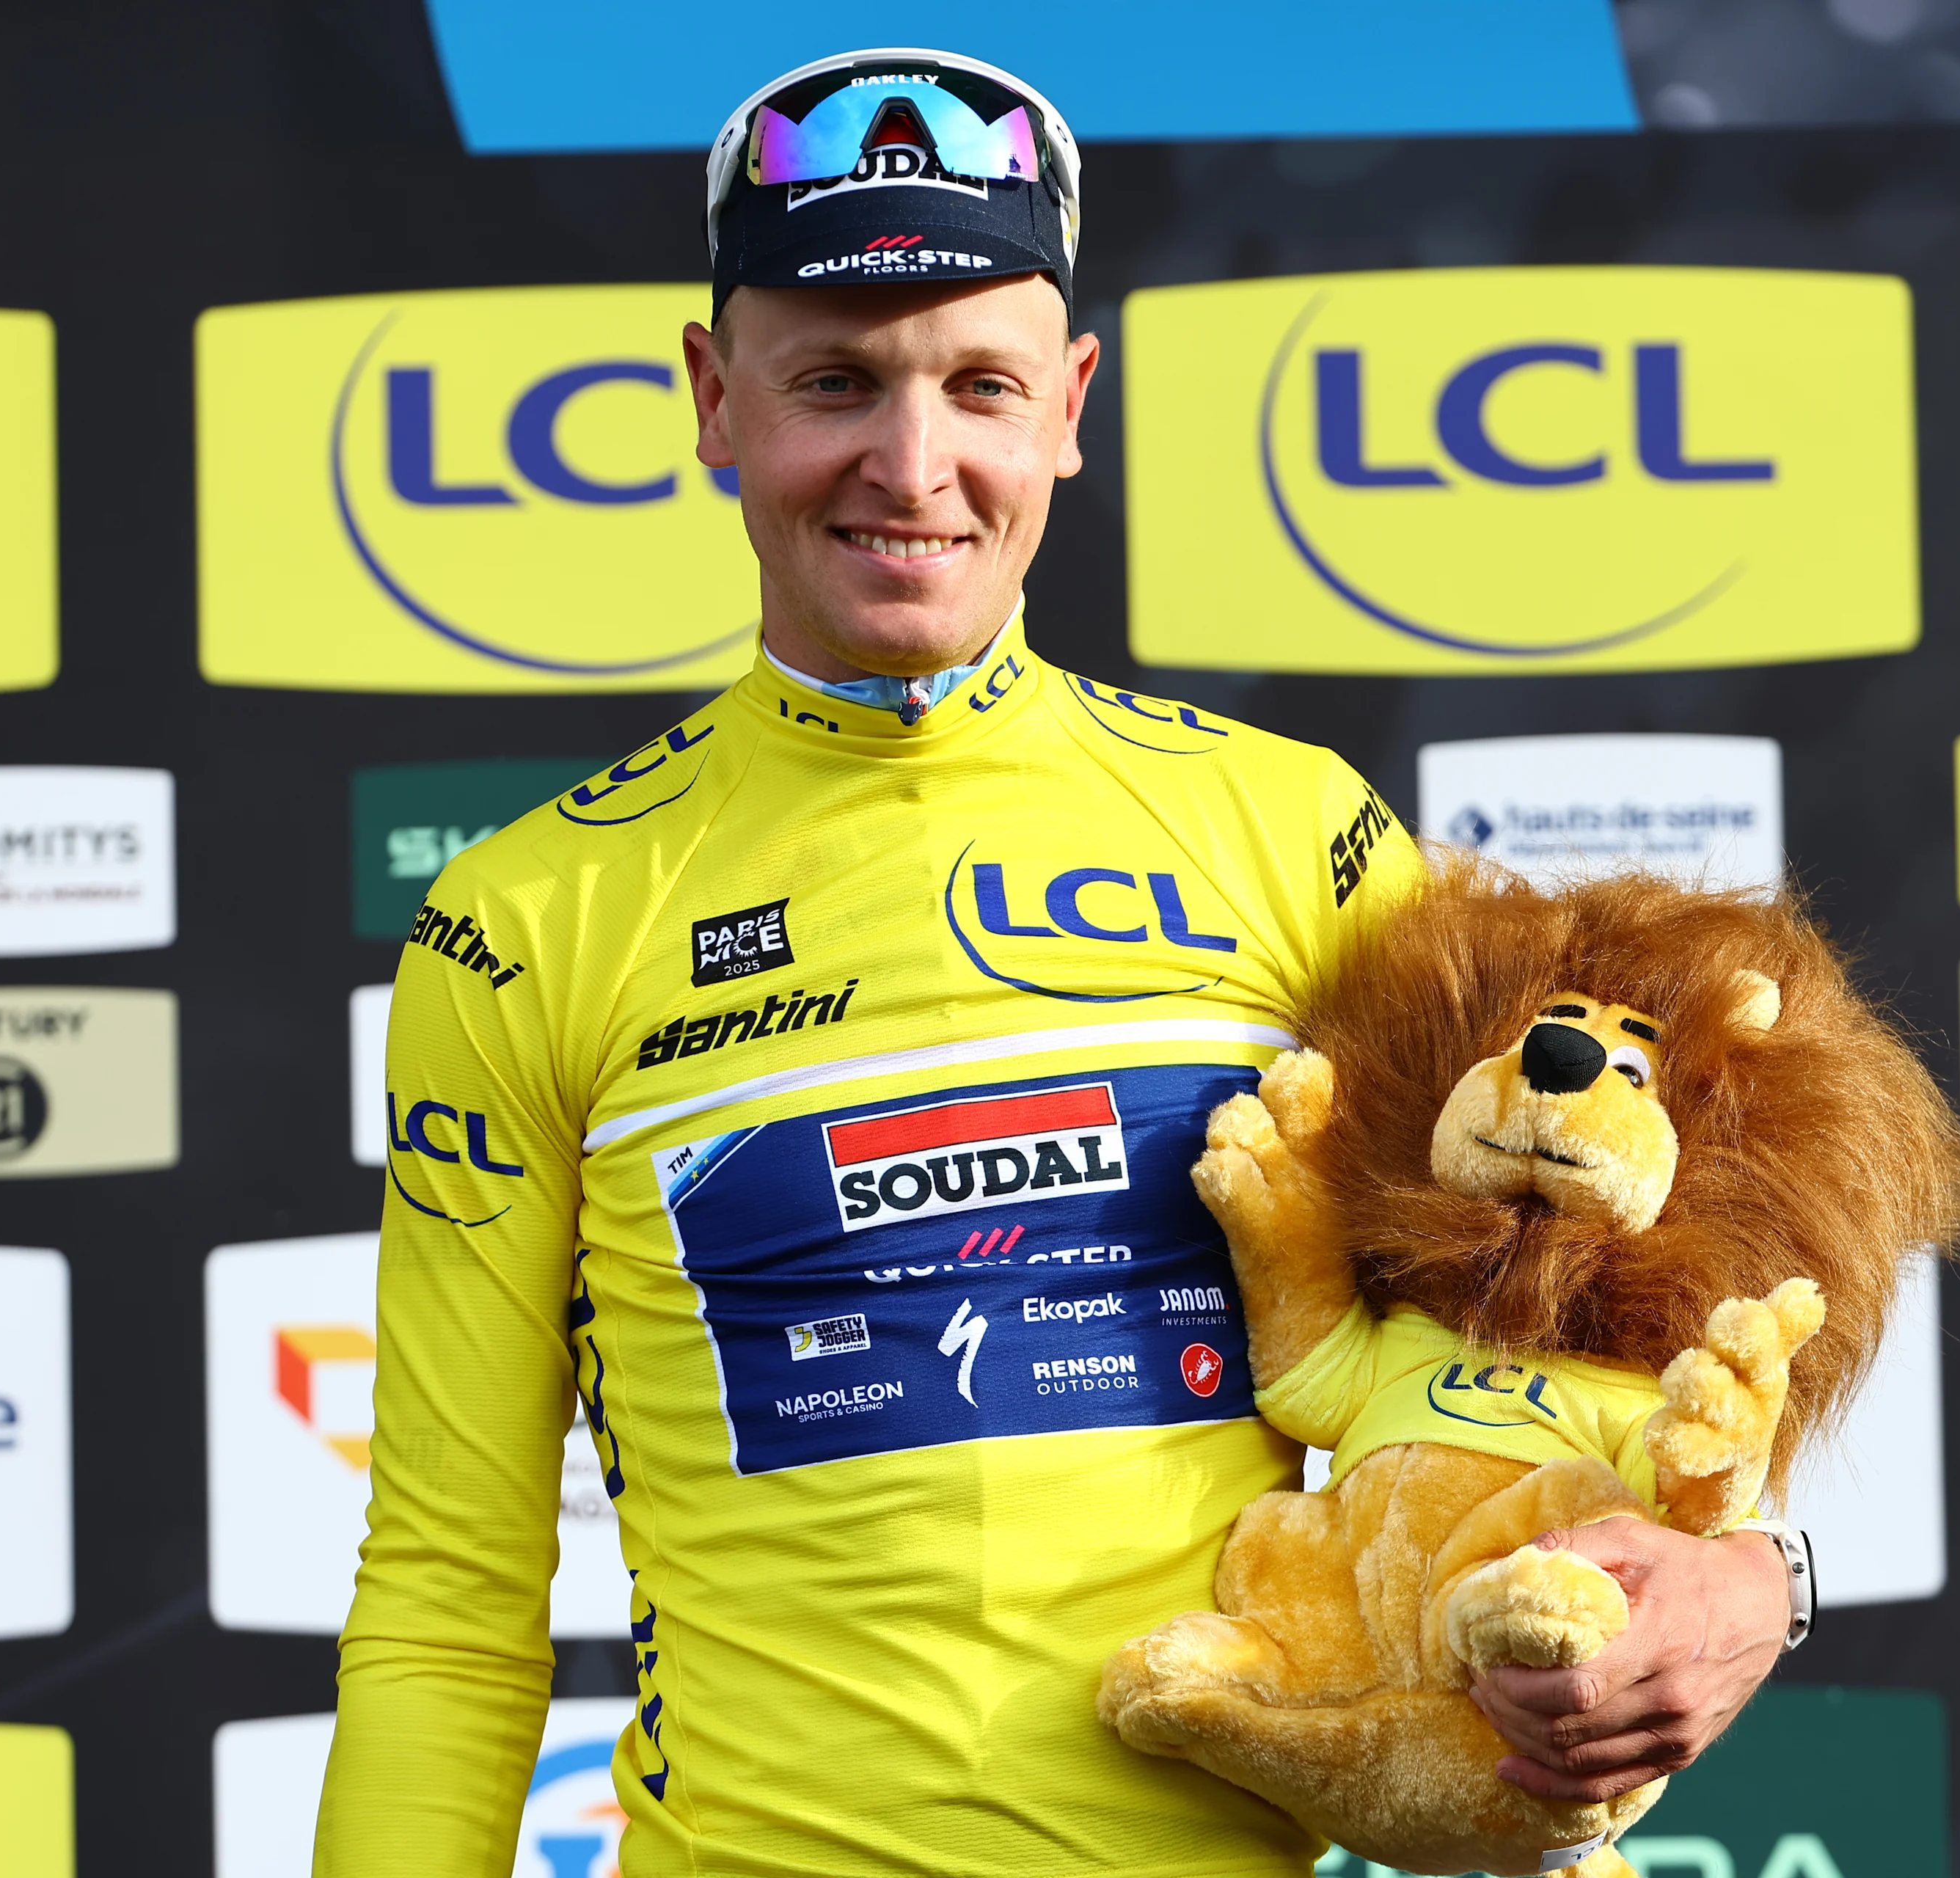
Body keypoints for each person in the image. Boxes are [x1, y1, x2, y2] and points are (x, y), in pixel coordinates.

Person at [313, 45, 1799, 1877]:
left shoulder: (1289, 832)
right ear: (714, 398)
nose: (911, 463)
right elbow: (449, 1594)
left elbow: (1590, 1328)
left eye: (980, 385)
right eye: (834, 382)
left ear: (1072, 404)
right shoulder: (525, 917)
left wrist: (1755, 1580)